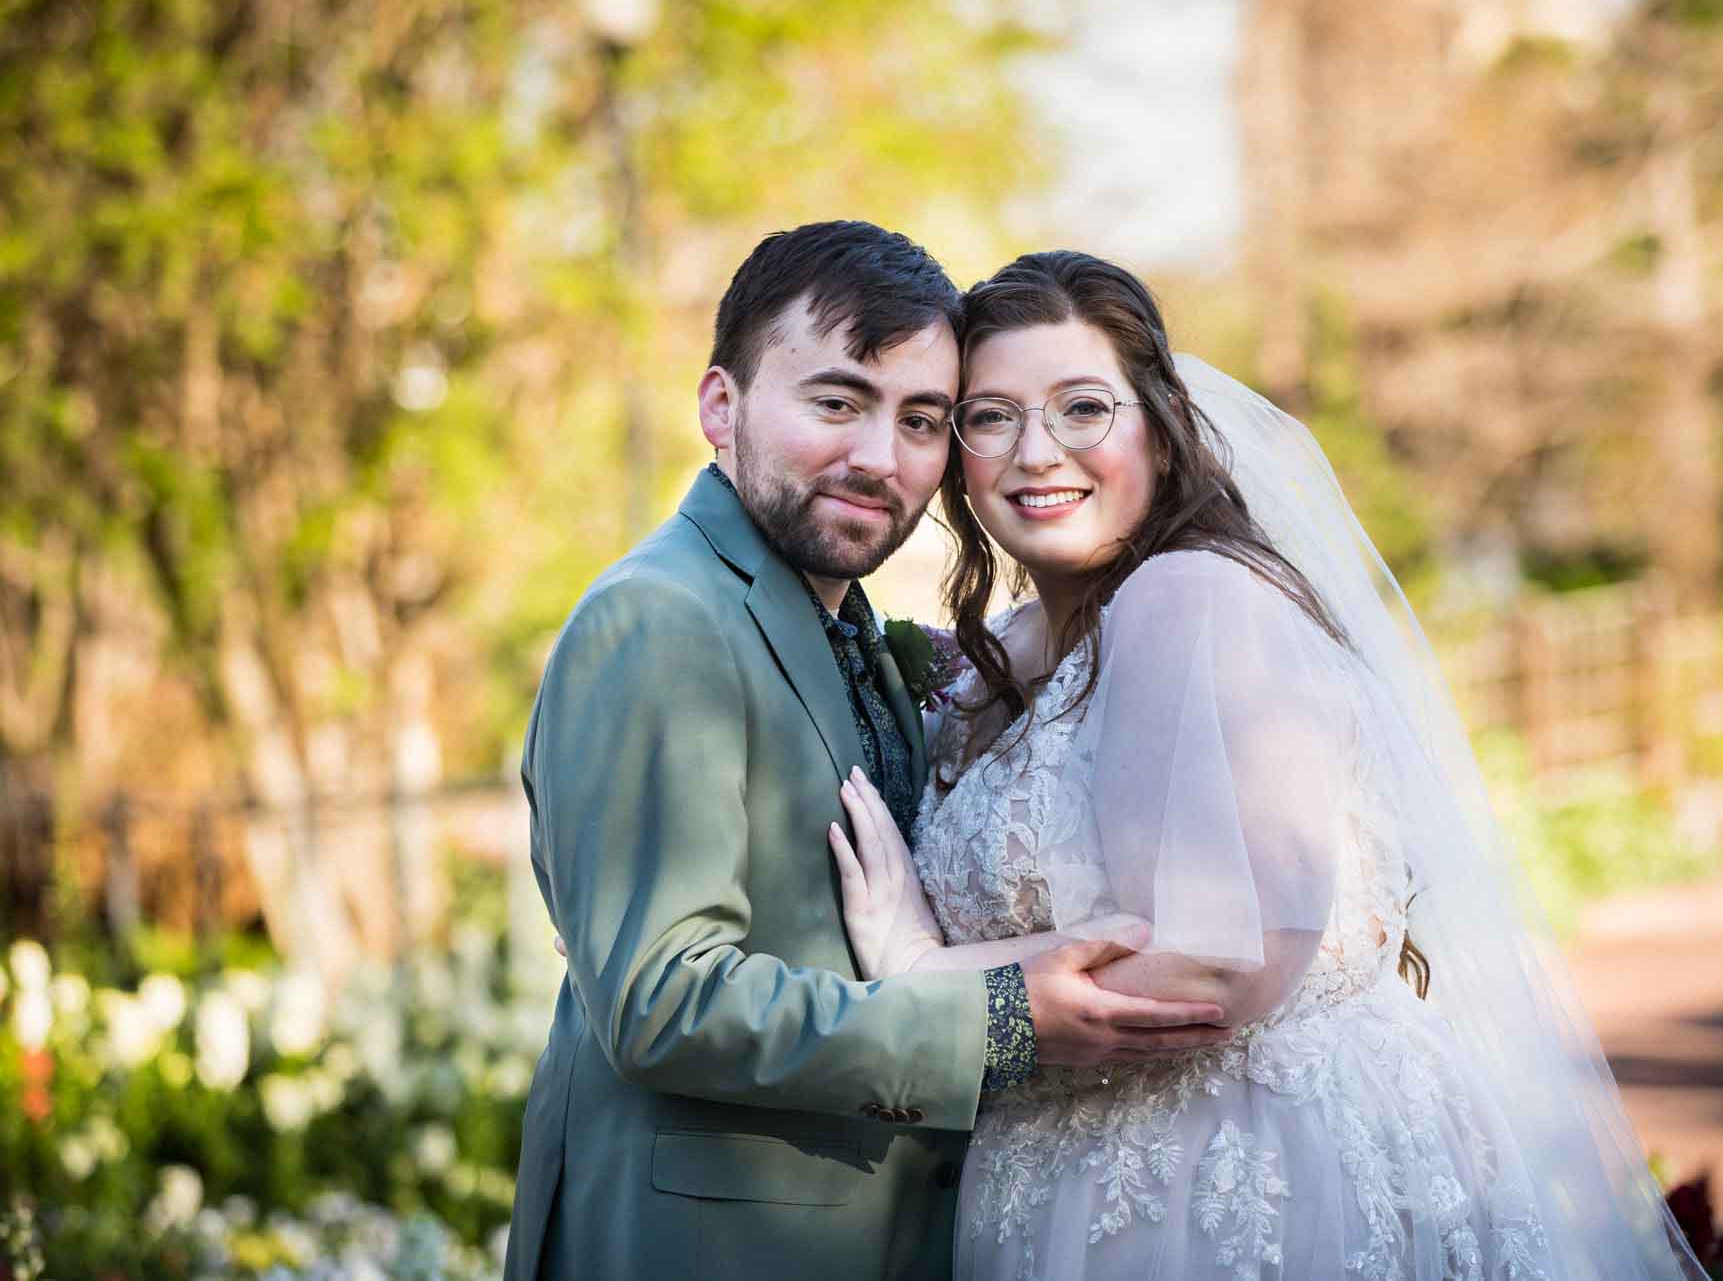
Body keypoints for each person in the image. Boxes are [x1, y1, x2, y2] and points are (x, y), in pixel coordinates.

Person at [829, 250, 1712, 1279]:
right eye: (990, 416)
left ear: (1156, 425)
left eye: (1081, 407)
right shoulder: (1003, 660)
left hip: (1242, 1183)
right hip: (1057, 1186)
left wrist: (922, 976)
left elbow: (1216, 965)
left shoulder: (1188, 600)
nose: (1036, 451)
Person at [505, 223, 1229, 1281]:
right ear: (721, 406)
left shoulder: (847, 630)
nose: (879, 457)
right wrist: (993, 1018)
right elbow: (662, 1003)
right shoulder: (660, 621)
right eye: (836, 402)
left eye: (922, 419)